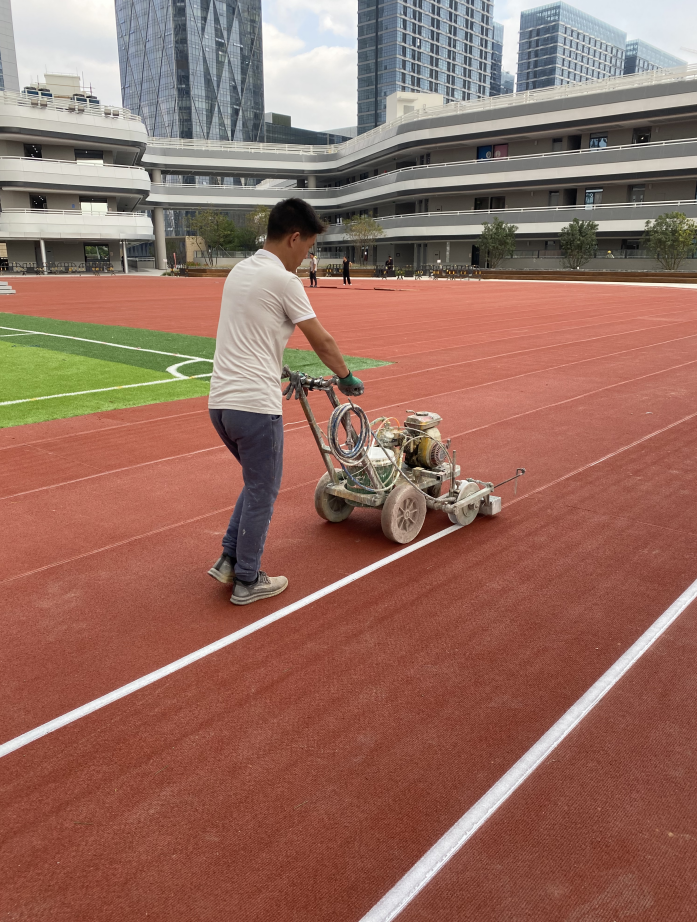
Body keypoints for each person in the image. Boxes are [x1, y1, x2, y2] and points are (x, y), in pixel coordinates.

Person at [207, 198, 364, 605]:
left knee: (255, 482)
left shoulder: (240, 271)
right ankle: (248, 579)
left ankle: (229, 558)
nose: (307, 257)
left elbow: (251, 335)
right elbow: (321, 340)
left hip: (220, 404)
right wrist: (345, 376)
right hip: (254, 406)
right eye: (308, 247)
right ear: (294, 238)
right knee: (264, 489)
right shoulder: (284, 280)